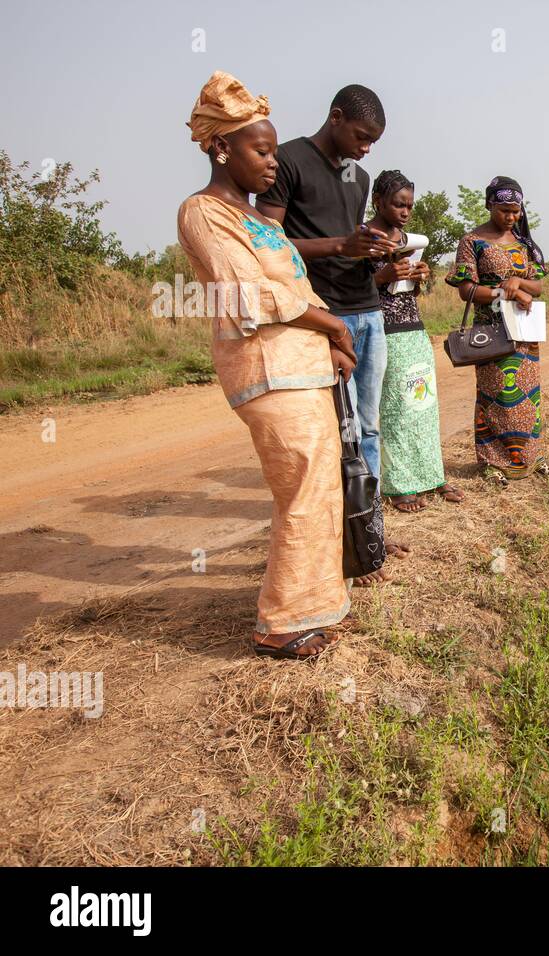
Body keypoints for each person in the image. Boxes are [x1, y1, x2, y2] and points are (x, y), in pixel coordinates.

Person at [177, 71, 357, 659]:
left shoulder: (260, 221)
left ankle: (317, 606)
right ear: (220, 148)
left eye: (275, 150)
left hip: (305, 365)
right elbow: (245, 293)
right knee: (301, 486)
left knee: (321, 484)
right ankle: (280, 624)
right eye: (261, 150)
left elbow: (296, 282)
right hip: (268, 369)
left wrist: (330, 339)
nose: (274, 163)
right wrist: (330, 322)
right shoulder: (204, 213)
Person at [256, 83, 409, 584]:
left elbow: (348, 240)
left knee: (368, 426)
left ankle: (370, 535)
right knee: (332, 435)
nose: (366, 149)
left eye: (373, 142)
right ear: (336, 117)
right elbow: (268, 247)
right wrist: (341, 244)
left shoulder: (361, 177)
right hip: (323, 316)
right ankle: (339, 544)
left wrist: (375, 249)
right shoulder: (286, 161)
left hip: (368, 308)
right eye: (362, 136)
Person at [364, 169, 464, 511]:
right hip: (383, 330)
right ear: (378, 201)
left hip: (413, 330)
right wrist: (383, 276)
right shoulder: (363, 238)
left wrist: (420, 276)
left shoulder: (409, 240)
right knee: (396, 410)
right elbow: (349, 289)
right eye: (398, 204)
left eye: (409, 206)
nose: (405, 212)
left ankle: (430, 477)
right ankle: (399, 485)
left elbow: (408, 291)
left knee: (423, 405)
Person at [444, 176, 549, 484]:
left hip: (525, 333)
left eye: (516, 210)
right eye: (505, 209)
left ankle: (530, 457)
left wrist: (519, 283)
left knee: (528, 396)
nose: (511, 216)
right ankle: (493, 462)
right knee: (496, 395)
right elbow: (466, 290)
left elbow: (538, 286)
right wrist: (506, 293)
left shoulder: (522, 243)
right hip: (490, 333)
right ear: (490, 204)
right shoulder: (472, 241)